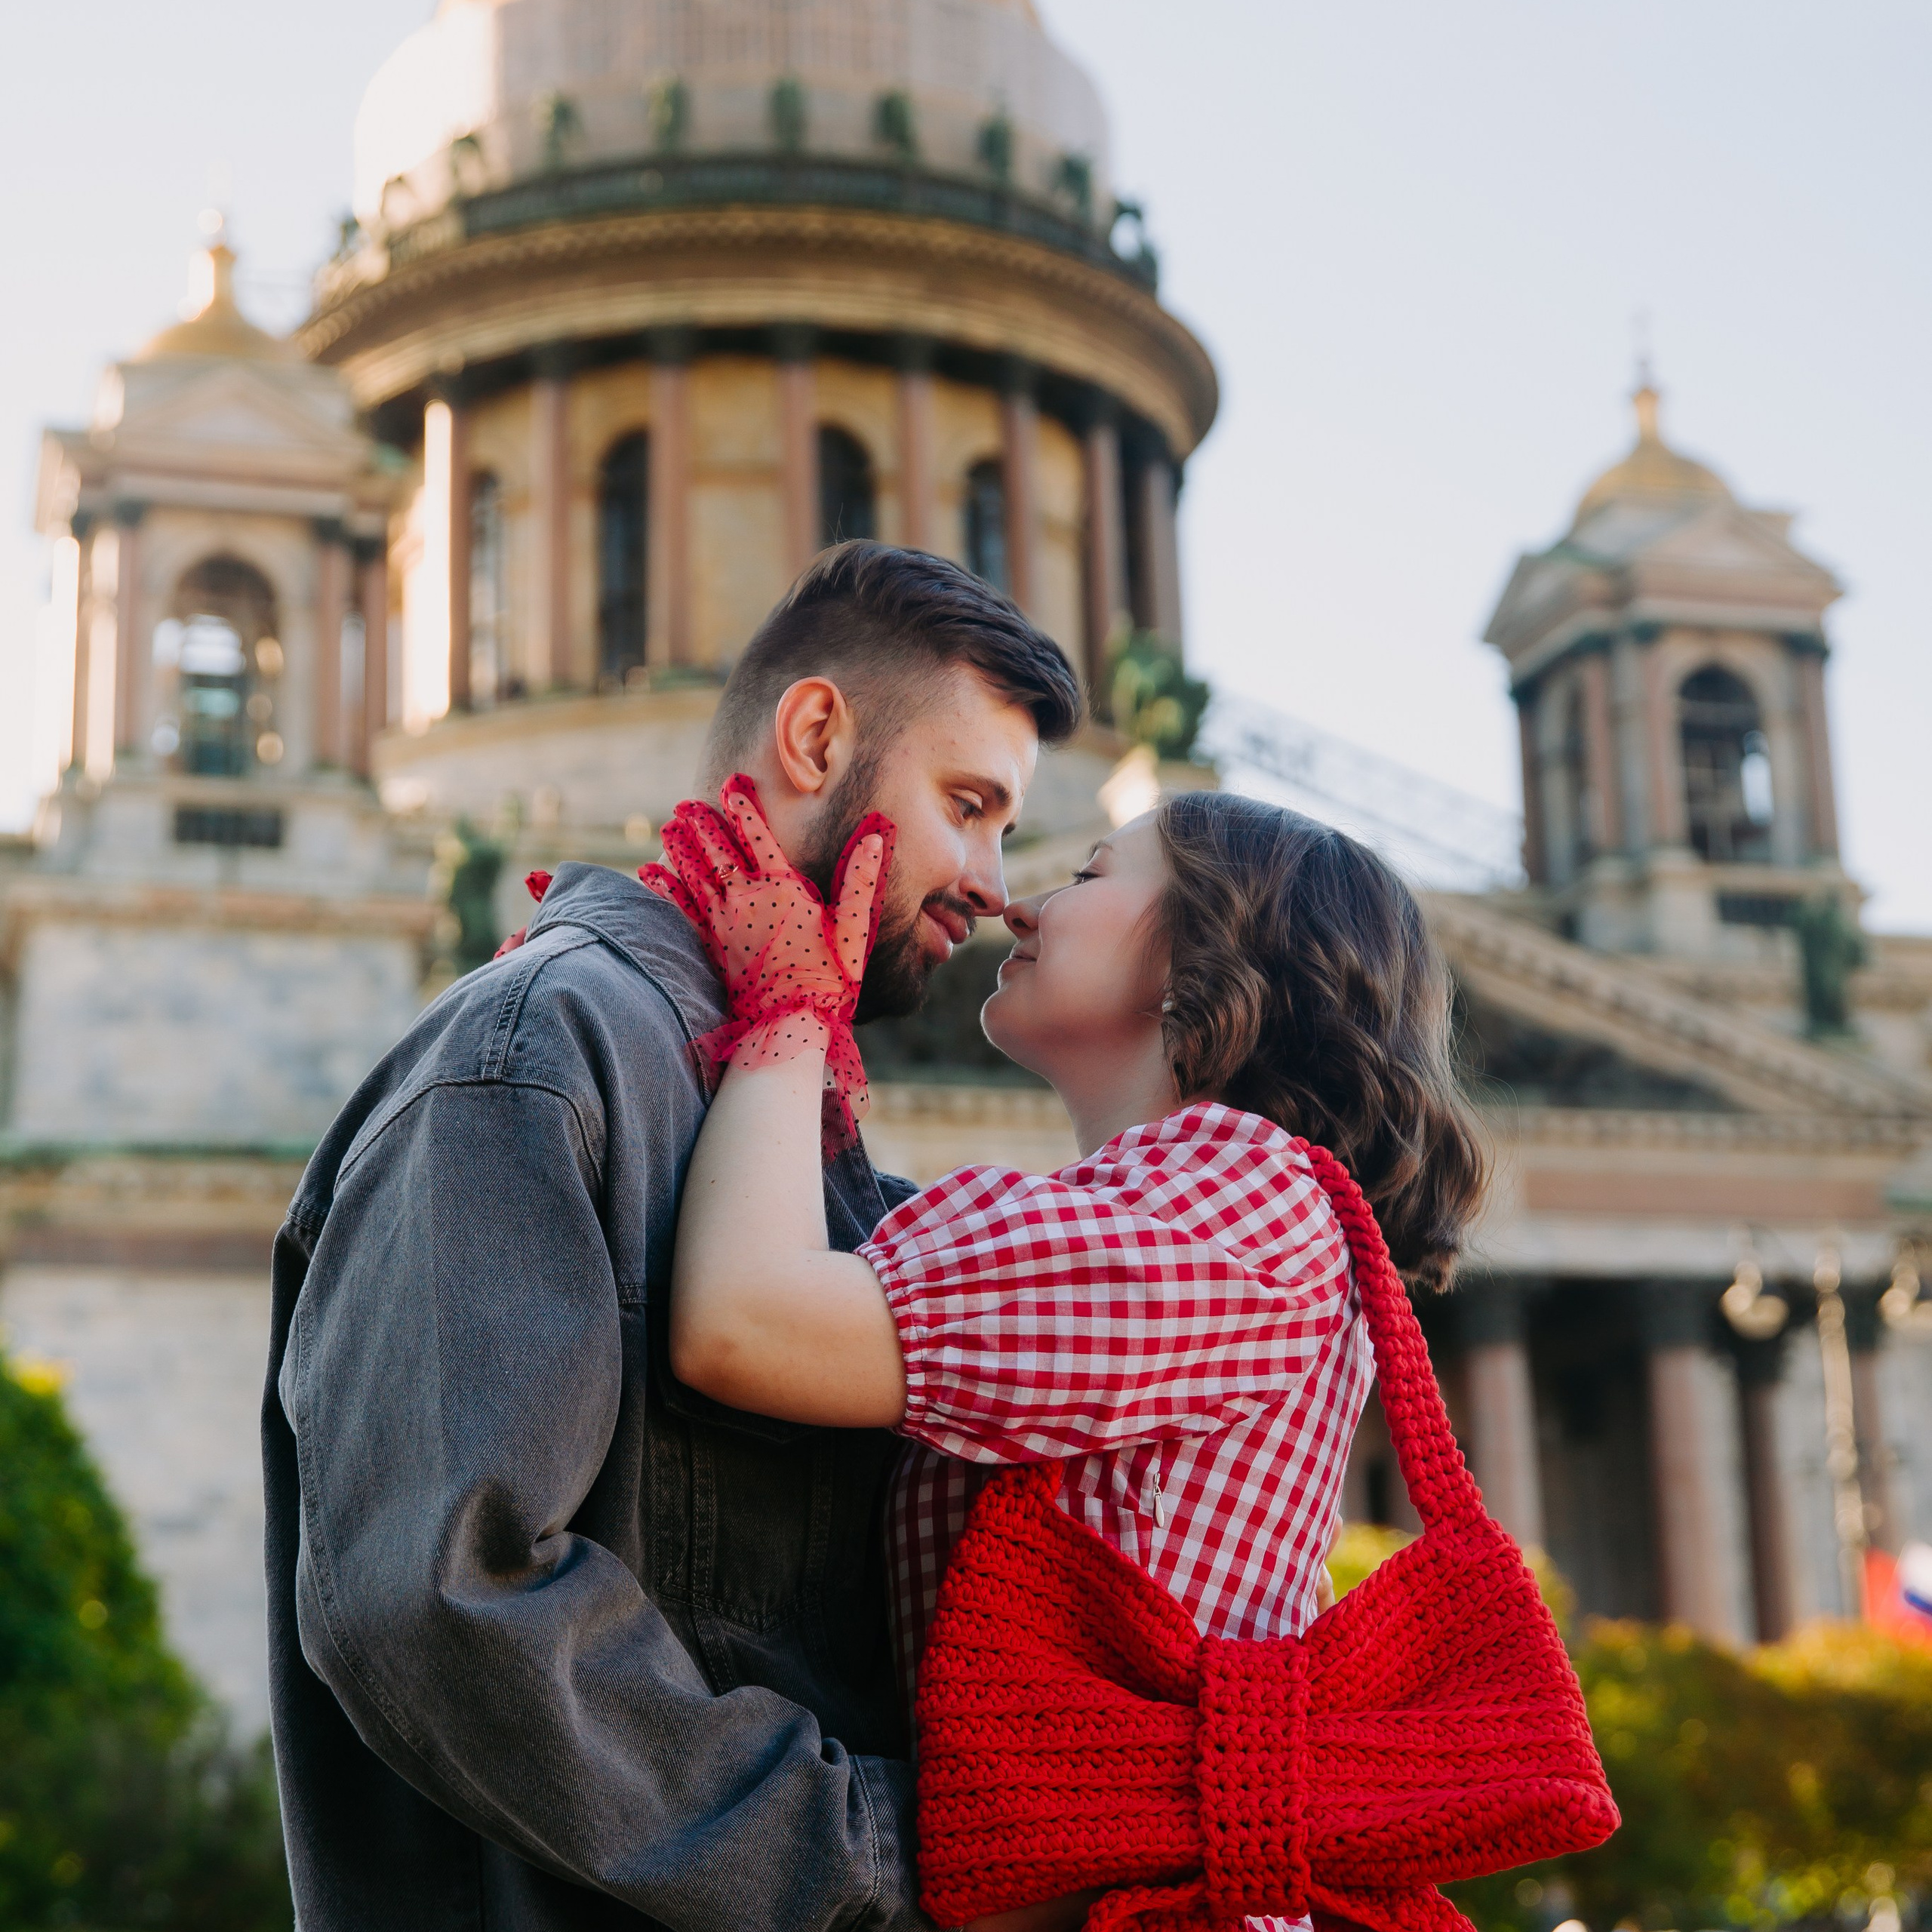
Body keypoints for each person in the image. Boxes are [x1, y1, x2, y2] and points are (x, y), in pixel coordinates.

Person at [260, 542, 1082, 1930]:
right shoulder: (538, 1051)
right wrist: (883, 1852)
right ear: (816, 736)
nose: (995, 884)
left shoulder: (778, 1097)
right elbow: (442, 1600)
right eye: (968, 806)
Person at [655, 783, 1489, 1930]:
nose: (1018, 902)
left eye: (1090, 873)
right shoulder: (1157, 1210)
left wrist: (789, 1014)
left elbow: (744, 1323)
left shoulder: (1238, 1200)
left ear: (1210, 949)